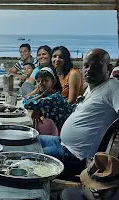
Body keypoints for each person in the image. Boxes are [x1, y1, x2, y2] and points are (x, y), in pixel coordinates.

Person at [39, 48, 119, 178]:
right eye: (86, 66)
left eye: (96, 66)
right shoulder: (92, 87)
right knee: (28, 140)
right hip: (62, 143)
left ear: (108, 67)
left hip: (75, 157)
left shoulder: (113, 87)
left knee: (30, 154)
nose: (89, 70)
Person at [23, 67, 73, 132]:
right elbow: (26, 99)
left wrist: (42, 95)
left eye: (45, 80)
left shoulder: (53, 98)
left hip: (60, 134)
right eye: (38, 81)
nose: (41, 83)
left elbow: (26, 104)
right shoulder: (49, 95)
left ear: (53, 82)